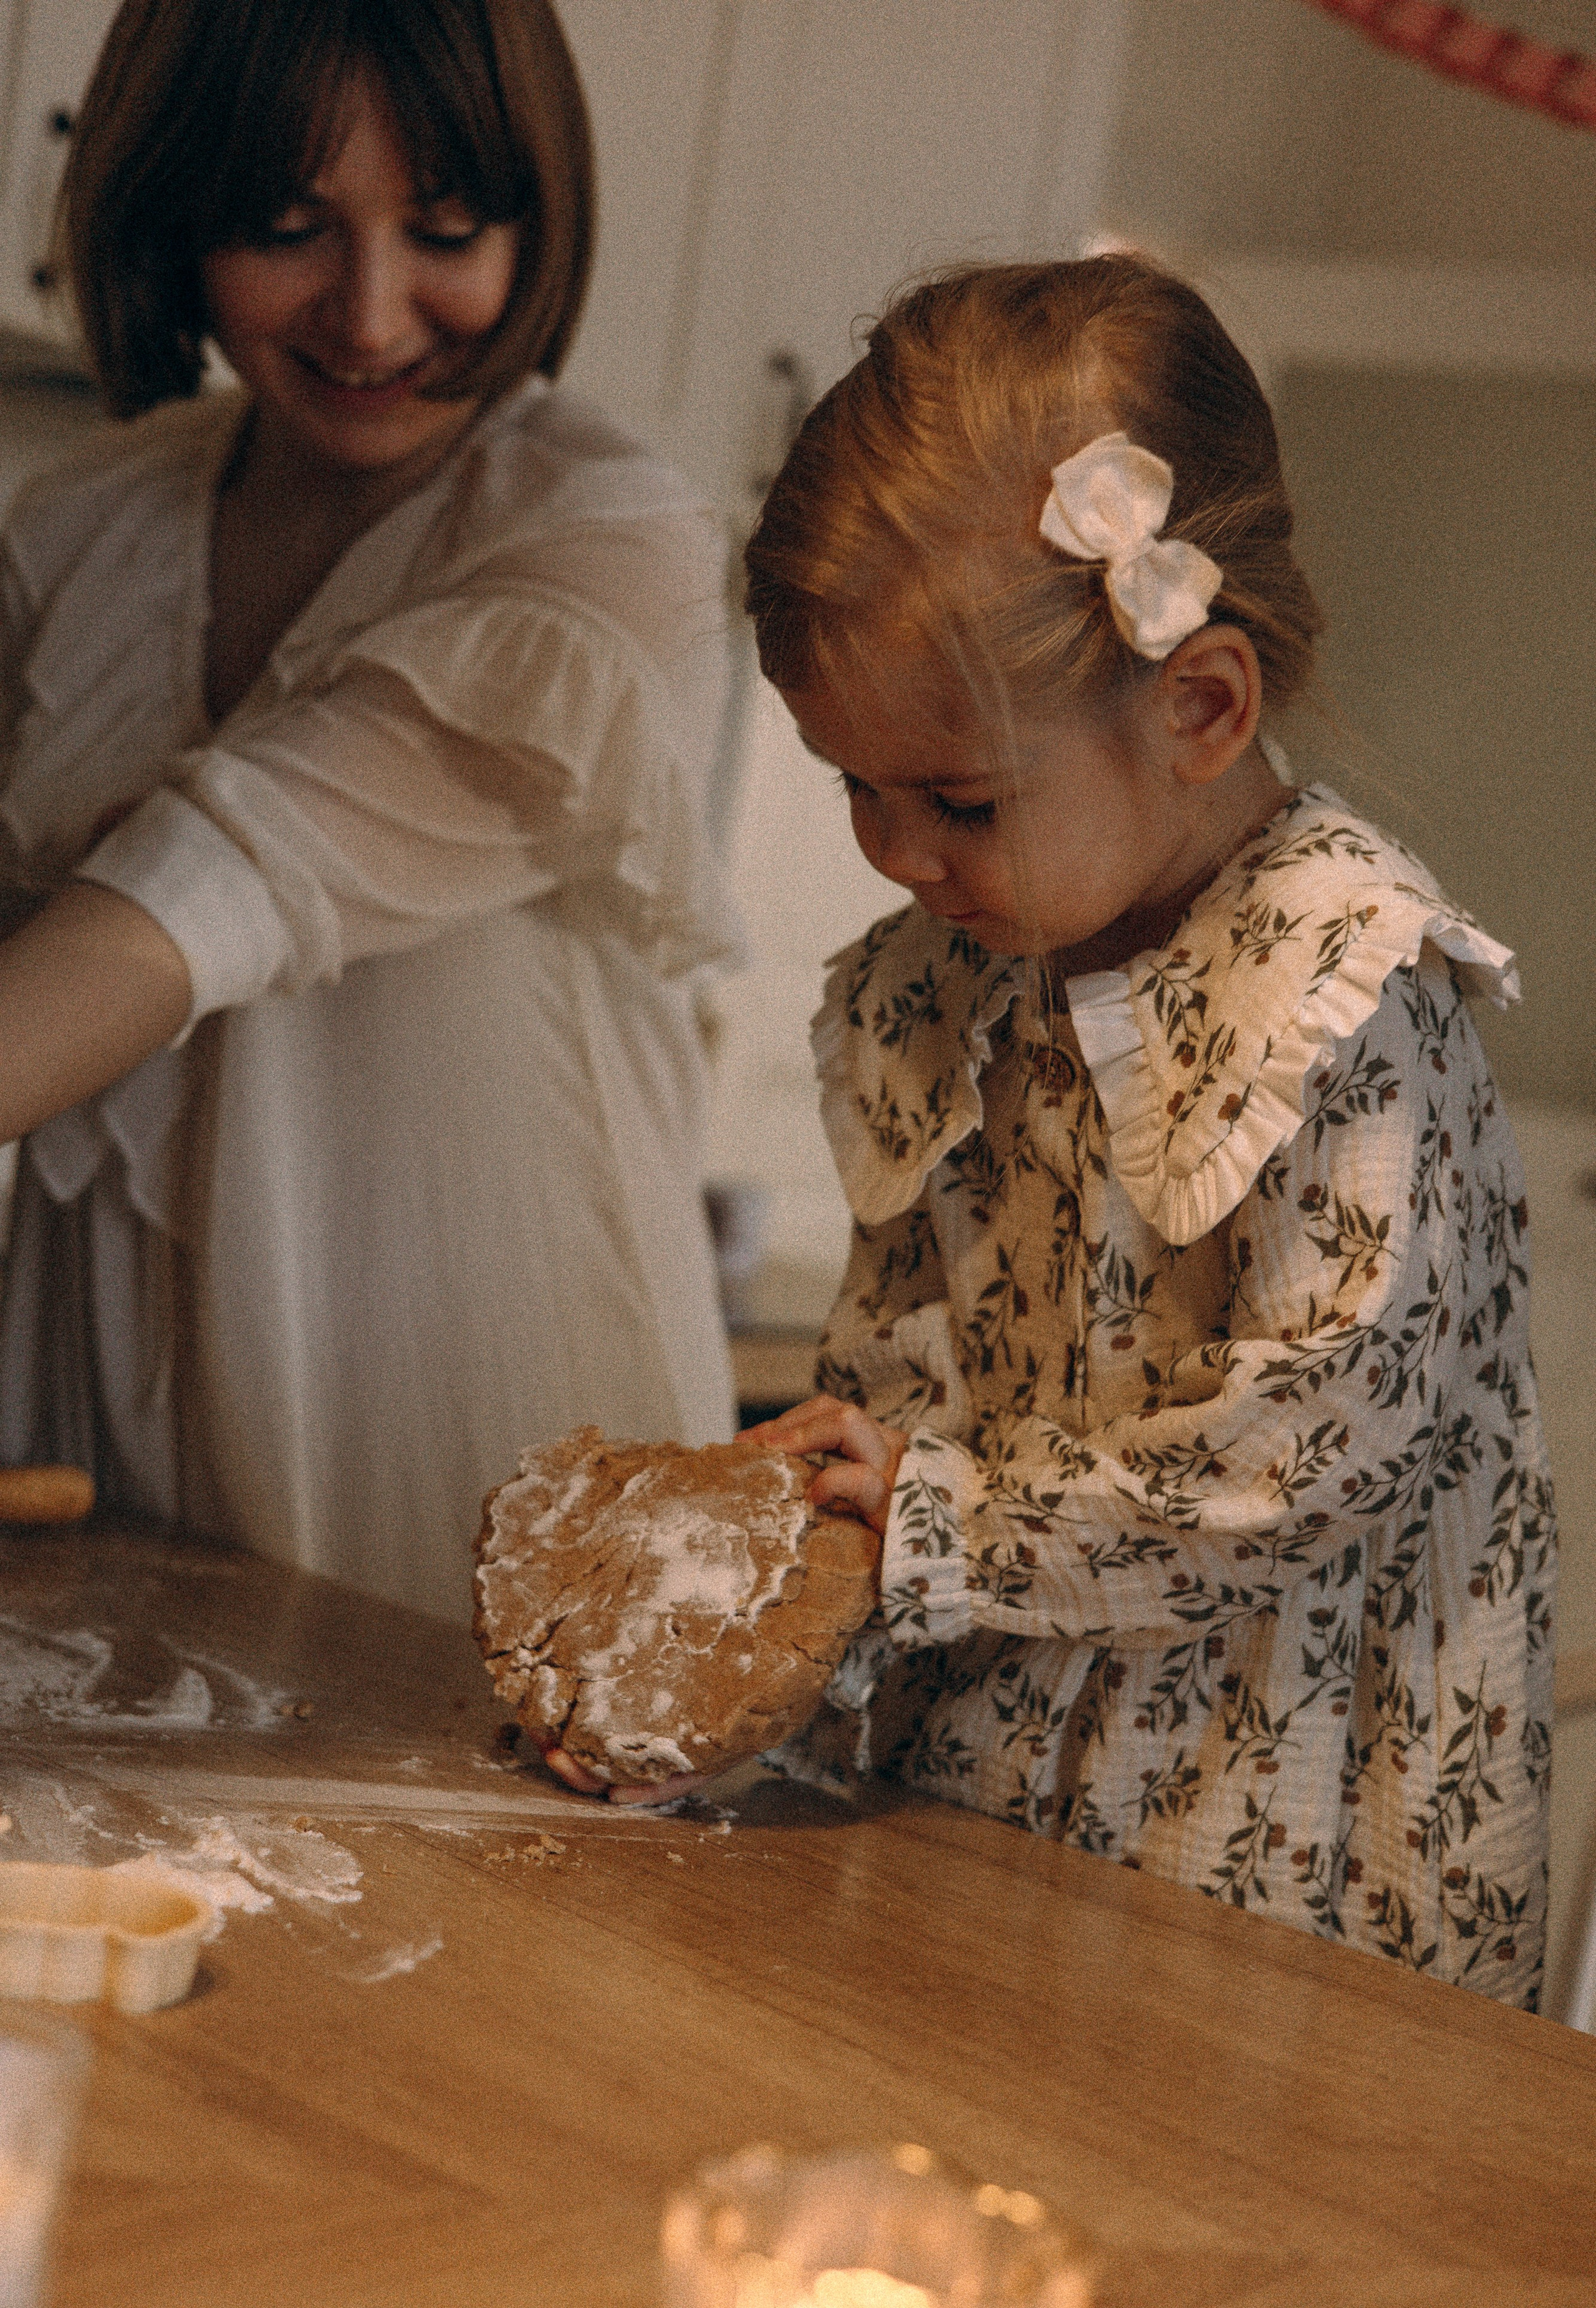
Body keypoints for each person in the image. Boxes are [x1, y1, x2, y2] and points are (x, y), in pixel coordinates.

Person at [565, 256, 1556, 2003]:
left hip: (1267, 1837)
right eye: (853, 786)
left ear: (1200, 709)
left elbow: (1317, 1453)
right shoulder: (959, 977)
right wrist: (774, 1638)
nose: (894, 853)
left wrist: (940, 1523)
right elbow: (903, 1393)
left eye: (954, 799)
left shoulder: (1334, 981)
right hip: (986, 1790)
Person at [0, 0, 738, 1617]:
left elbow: (223, 881)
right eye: (286, 228)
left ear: (536, 223)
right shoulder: (74, 536)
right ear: (175, 211)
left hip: (477, 1487)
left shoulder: (610, 545)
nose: (374, 309)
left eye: (449, 230)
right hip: (106, 1476)